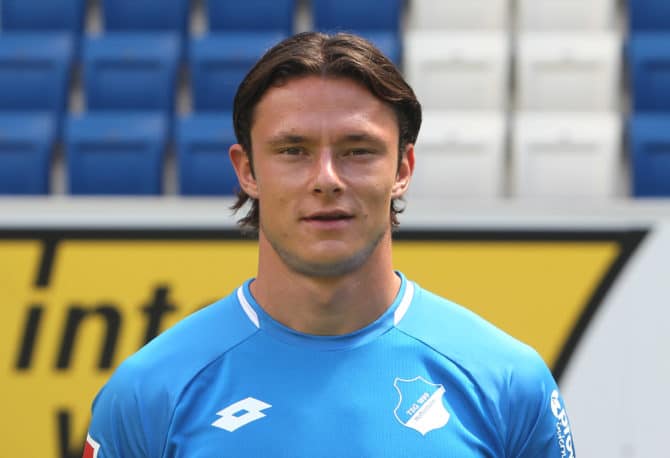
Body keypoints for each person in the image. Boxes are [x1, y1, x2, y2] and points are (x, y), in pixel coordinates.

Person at [83, 32, 575, 457]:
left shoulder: (507, 382)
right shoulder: (148, 393)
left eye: (357, 150)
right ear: (248, 170)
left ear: (402, 169)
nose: (326, 179)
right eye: (293, 150)